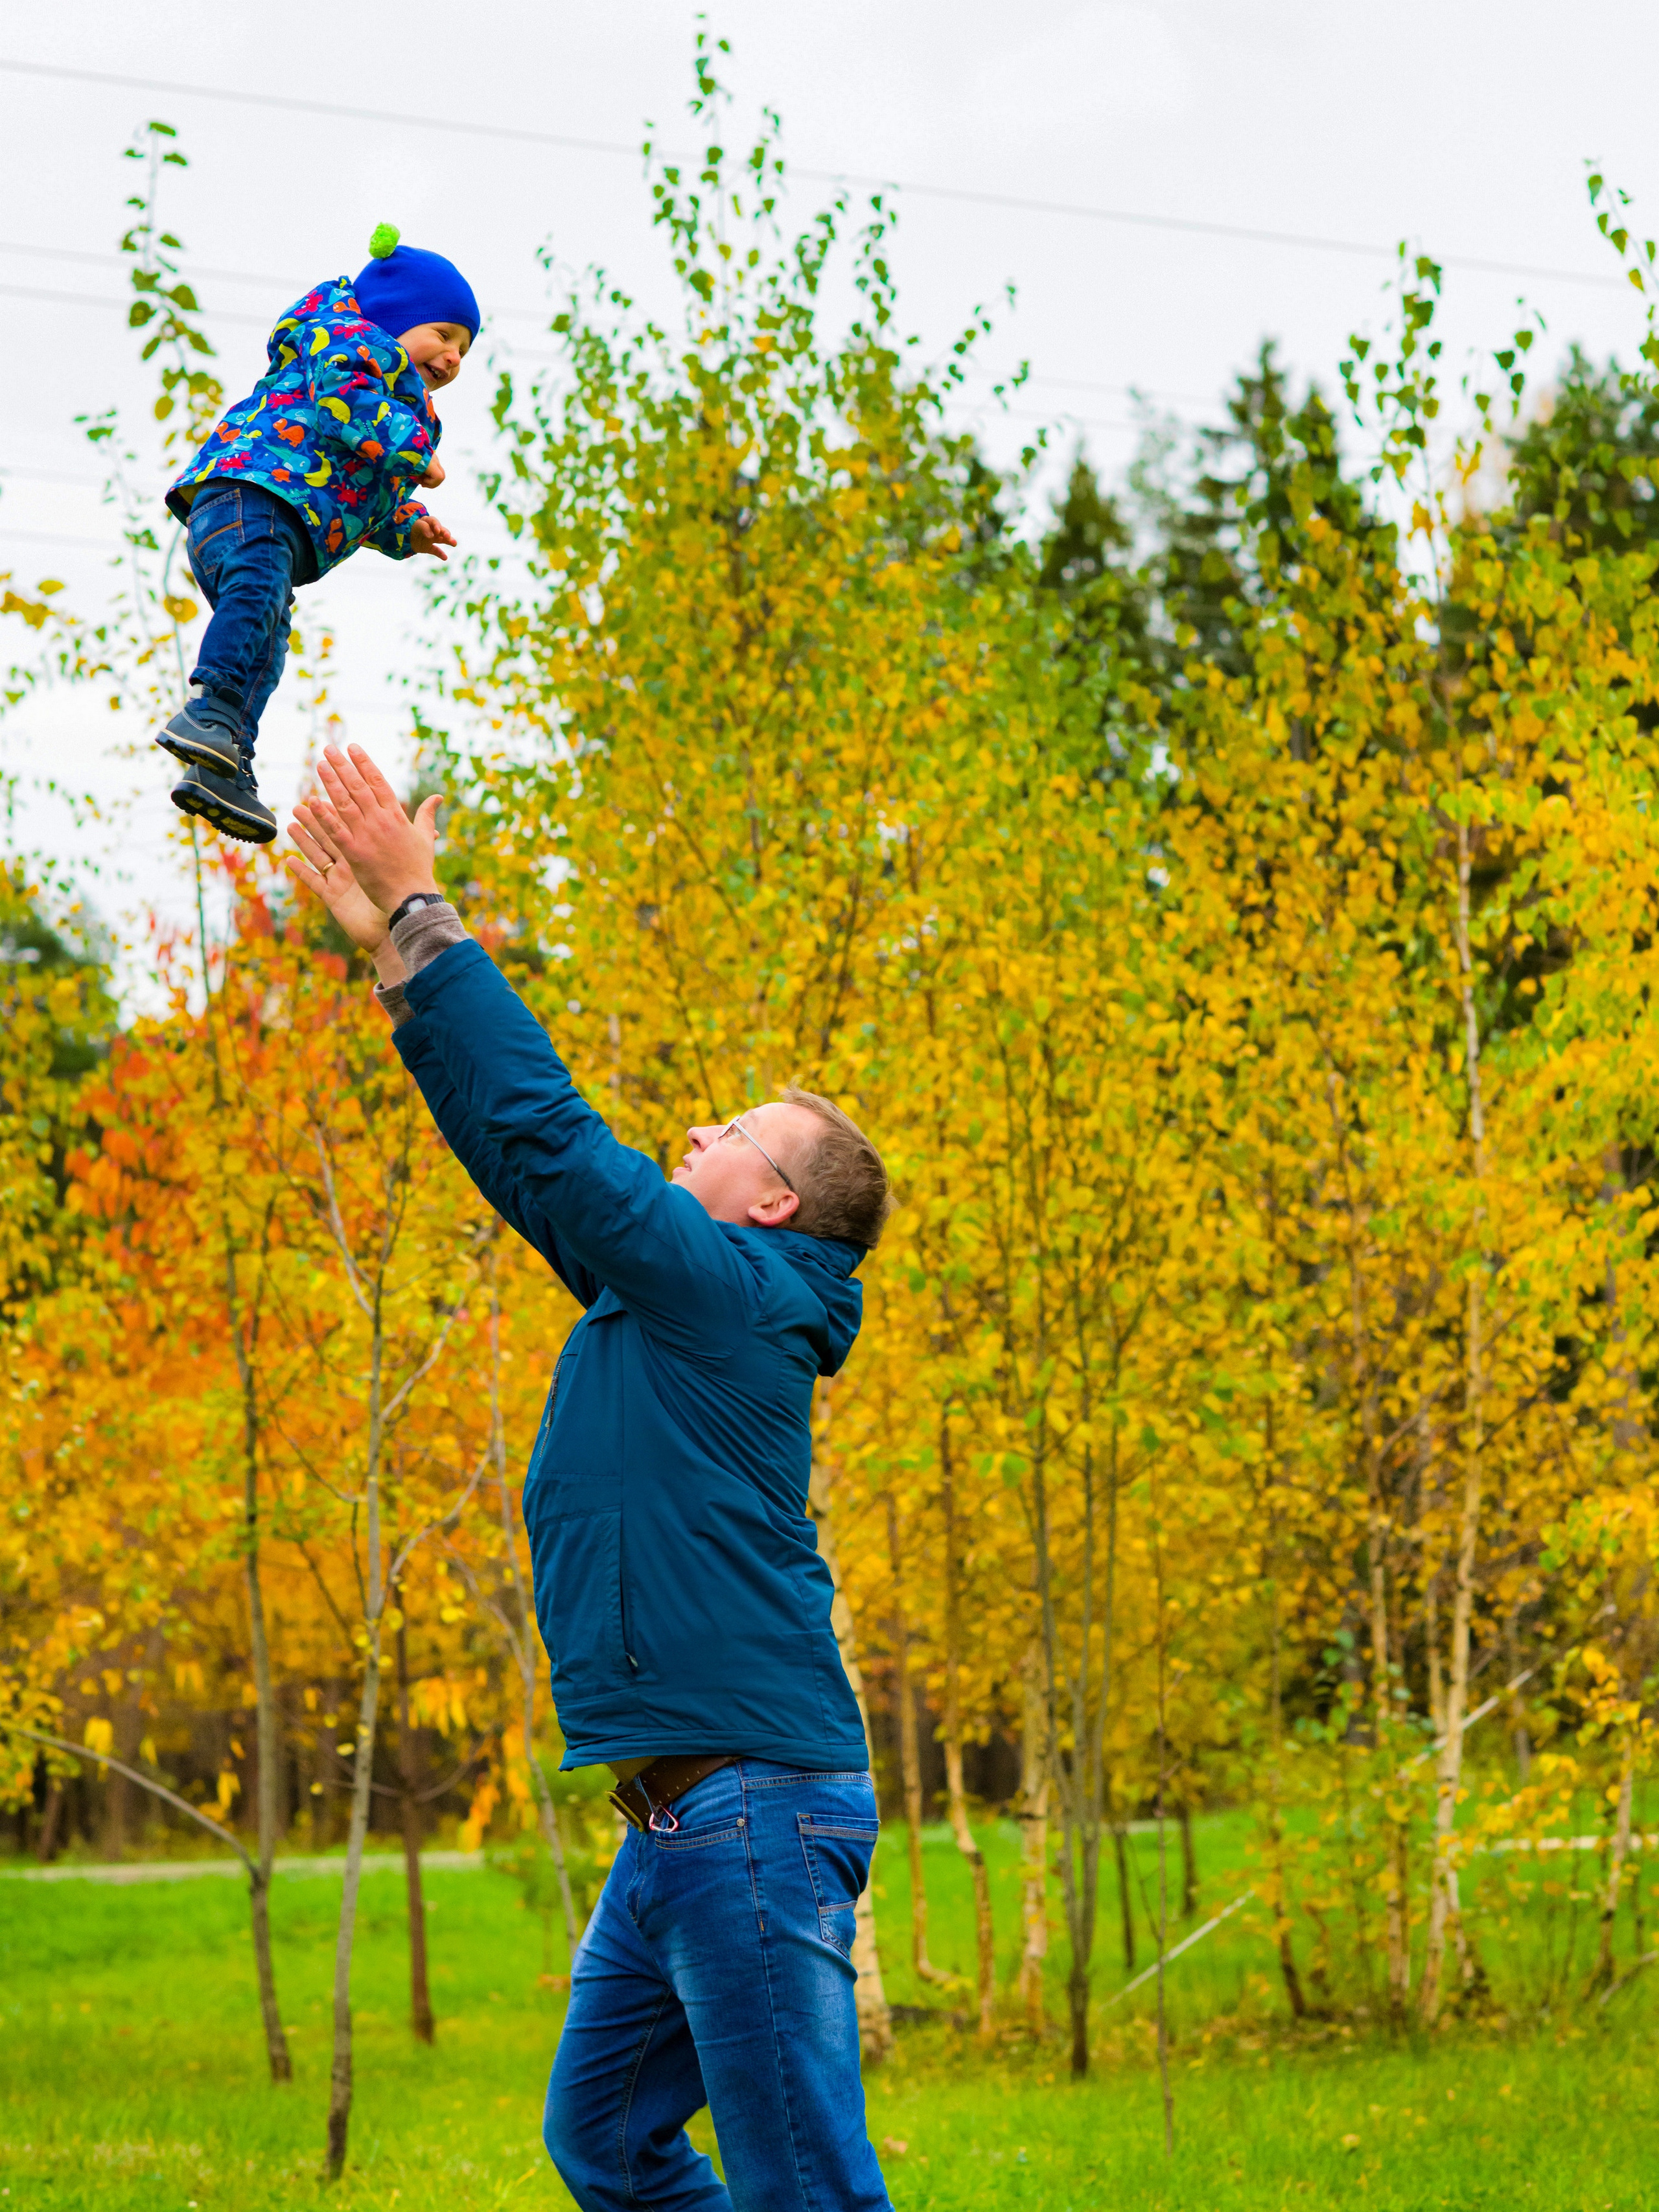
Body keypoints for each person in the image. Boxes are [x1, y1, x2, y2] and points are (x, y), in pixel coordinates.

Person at [288, 743, 896, 2212]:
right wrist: (392, 964)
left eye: (726, 1132)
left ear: (769, 1197)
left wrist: (430, 913)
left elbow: (561, 1144)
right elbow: (524, 1161)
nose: (691, 1131)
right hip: (683, 1813)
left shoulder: (731, 1291)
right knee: (608, 2142)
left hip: (747, 1803)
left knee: (802, 2182)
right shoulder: (674, 1293)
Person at [159, 226, 477, 846]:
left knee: (271, 635)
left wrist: (405, 525)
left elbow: (358, 494)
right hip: (251, 496)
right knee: (257, 591)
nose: (454, 357)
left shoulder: (398, 403)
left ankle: (222, 761)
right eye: (444, 334)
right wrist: (413, 451)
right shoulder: (349, 342)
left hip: (274, 514)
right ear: (395, 317)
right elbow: (346, 403)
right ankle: (210, 708)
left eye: (465, 348)